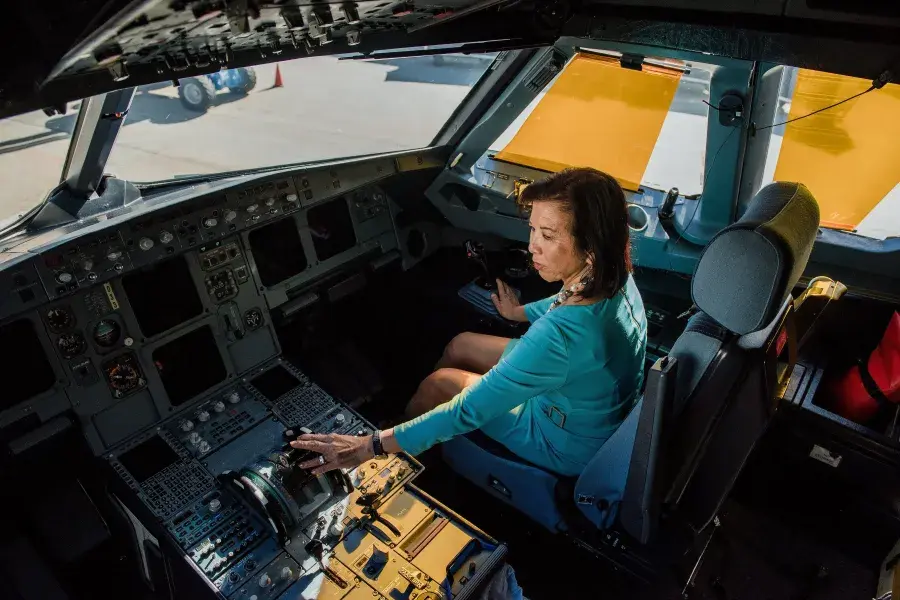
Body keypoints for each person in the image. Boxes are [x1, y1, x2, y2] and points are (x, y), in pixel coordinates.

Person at [291, 167, 647, 478]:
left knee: (440, 385)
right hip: (586, 397)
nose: (532, 246)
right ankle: (417, 423)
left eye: (548, 236)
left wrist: (368, 446)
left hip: (563, 440)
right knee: (461, 344)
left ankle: (397, 443)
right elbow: (568, 298)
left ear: (590, 248)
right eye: (533, 229)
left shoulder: (560, 337)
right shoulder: (614, 274)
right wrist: (518, 314)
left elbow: (471, 408)